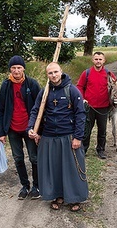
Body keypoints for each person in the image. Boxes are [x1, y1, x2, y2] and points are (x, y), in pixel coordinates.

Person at [28, 62, 88, 212]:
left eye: (56, 72)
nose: (53, 75)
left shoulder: (72, 91)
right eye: (50, 73)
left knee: (72, 169)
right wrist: (31, 128)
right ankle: (58, 196)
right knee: (54, 169)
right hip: (49, 137)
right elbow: (36, 111)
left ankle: (75, 198)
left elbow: (80, 114)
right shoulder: (44, 92)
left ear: (61, 72)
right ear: (47, 75)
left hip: (68, 136)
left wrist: (78, 137)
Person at [0, 55, 41, 200]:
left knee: (34, 158)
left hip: (29, 128)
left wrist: (38, 129)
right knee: (18, 158)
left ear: (23, 68)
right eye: (13, 68)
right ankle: (25, 185)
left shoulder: (32, 84)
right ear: (10, 69)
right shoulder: (5, 85)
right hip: (12, 129)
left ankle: (37, 185)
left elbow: (40, 107)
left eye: (19, 67)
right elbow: (1, 109)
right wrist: (2, 132)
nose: (16, 71)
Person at [76, 51, 116, 159]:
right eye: (96, 59)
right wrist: (83, 99)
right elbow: (79, 86)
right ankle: (83, 149)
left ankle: (101, 150)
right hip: (89, 107)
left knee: (102, 130)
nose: (98, 61)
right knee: (87, 130)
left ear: (104, 61)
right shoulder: (87, 73)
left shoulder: (109, 74)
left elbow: (116, 86)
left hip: (103, 107)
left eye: (100, 59)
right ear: (93, 60)